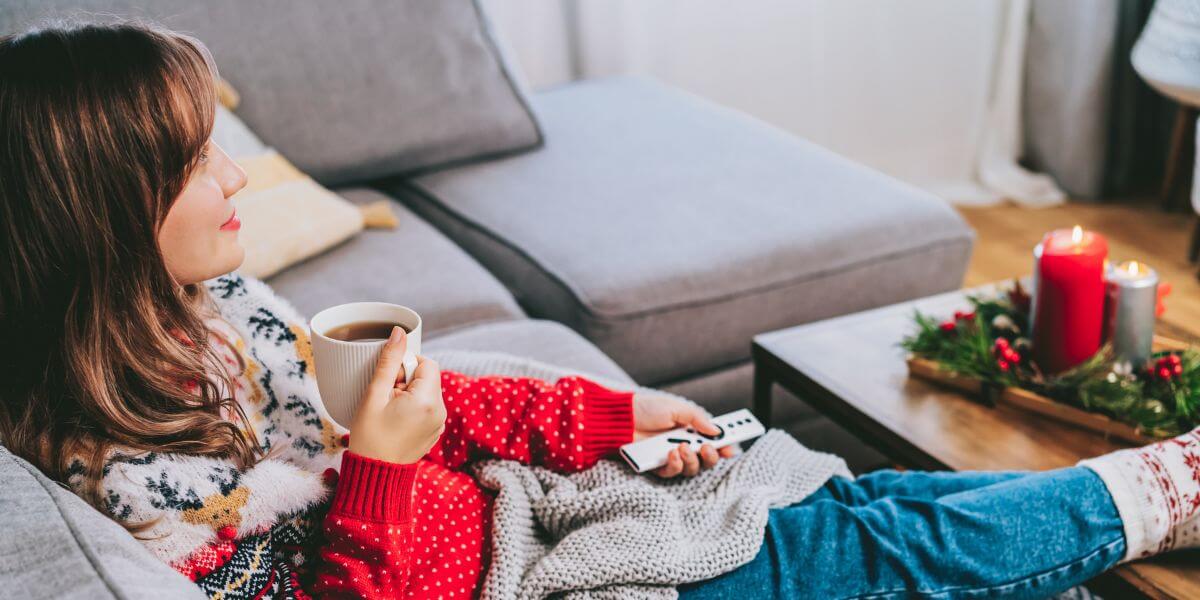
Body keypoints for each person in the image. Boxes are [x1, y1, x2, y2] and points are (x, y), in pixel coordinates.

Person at [0, 20, 1196, 600]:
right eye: (197, 160)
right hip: (532, 578)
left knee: (849, 491)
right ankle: (1170, 492)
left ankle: (1144, 510)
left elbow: (437, 410)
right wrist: (378, 466)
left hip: (528, 516)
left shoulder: (218, 314)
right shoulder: (126, 480)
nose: (234, 175)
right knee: (869, 547)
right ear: (104, 206)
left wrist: (610, 415)